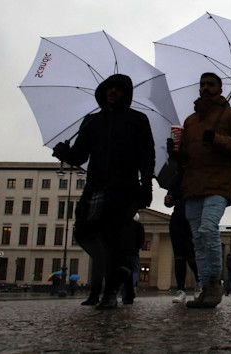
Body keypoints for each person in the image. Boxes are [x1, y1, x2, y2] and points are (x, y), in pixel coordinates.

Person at [53, 74, 155, 310]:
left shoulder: (137, 120)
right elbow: (80, 156)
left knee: (113, 237)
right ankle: (119, 269)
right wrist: (63, 154)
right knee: (82, 231)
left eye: (118, 89)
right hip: (96, 186)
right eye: (109, 88)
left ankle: (110, 293)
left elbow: (147, 156)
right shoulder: (91, 121)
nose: (112, 92)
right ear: (103, 91)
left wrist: (146, 185)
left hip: (125, 187)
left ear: (126, 94)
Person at [168, 72, 231, 308]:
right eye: (202, 84)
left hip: (218, 184)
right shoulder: (190, 121)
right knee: (197, 239)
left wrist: (217, 139)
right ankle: (205, 288)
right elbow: (187, 157)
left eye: (210, 84)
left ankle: (214, 282)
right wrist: (176, 153)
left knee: (207, 229)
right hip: (193, 186)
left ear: (219, 88)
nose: (205, 88)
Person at [163, 171, 200, 304]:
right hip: (177, 220)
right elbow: (169, 202)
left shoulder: (197, 178)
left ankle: (199, 282)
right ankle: (180, 290)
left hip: (191, 221)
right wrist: (168, 200)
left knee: (191, 256)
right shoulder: (175, 180)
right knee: (179, 256)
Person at [120, 214, 145, 305]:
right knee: (134, 272)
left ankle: (124, 293)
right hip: (134, 253)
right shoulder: (139, 226)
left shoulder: (122, 225)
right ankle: (129, 287)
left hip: (123, 253)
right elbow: (141, 240)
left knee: (124, 272)